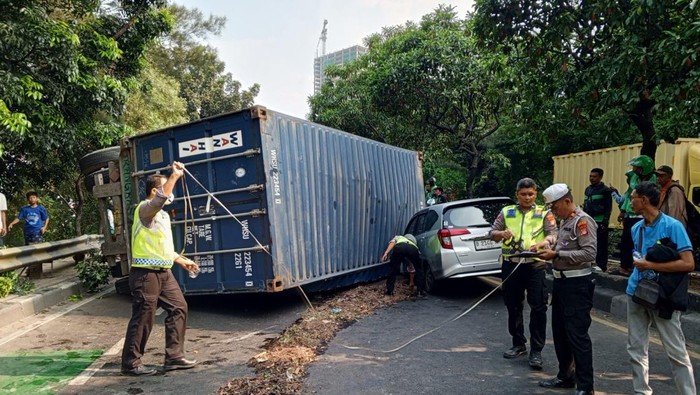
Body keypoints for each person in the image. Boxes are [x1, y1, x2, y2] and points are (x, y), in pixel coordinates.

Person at [121, 161, 200, 376]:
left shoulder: (164, 216)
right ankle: (131, 363)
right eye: (166, 187)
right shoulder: (144, 210)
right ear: (155, 190)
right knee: (144, 316)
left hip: (164, 273)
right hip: (145, 275)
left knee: (179, 307)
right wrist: (174, 177)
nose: (171, 192)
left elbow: (162, 246)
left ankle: (174, 357)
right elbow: (158, 201)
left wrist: (181, 260)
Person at [625, 181, 696, 395]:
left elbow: (688, 263)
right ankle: (641, 391)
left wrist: (651, 265)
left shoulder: (673, 226)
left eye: (634, 197)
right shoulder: (636, 228)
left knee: (676, 351)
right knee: (636, 348)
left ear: (644, 200)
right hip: (636, 292)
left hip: (663, 296)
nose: (631, 201)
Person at [534, 184, 597, 395]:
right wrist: (548, 245)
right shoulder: (565, 220)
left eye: (554, 206)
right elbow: (563, 244)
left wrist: (557, 256)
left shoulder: (583, 221)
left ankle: (586, 386)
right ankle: (565, 376)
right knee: (560, 333)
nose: (552, 211)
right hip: (561, 283)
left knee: (577, 335)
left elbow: (589, 253)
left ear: (567, 201)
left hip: (577, 284)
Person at [490, 178, 557, 370]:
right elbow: (492, 232)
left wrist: (545, 242)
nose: (527, 198)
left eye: (531, 194)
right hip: (512, 264)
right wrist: (500, 234)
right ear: (517, 194)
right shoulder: (506, 212)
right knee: (513, 305)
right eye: (523, 194)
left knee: (538, 306)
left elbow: (553, 234)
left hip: (535, 265)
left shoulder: (544, 212)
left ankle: (536, 350)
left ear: (536, 194)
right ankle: (518, 343)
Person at [610, 155, 656, 277]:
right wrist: (623, 211)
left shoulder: (653, 180)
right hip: (630, 216)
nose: (635, 170)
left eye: (637, 167)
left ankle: (641, 268)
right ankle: (624, 267)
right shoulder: (633, 178)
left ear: (645, 168)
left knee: (642, 243)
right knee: (626, 242)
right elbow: (628, 194)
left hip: (644, 216)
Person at [582, 168, 612, 272]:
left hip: (600, 221)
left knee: (601, 243)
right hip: (589, 220)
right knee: (589, 242)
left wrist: (605, 221)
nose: (592, 178)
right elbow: (585, 205)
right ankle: (590, 262)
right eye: (590, 176)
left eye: (594, 176)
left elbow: (608, 207)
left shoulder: (605, 190)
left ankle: (601, 265)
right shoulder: (588, 189)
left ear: (600, 177)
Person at [381, 233, 425, 298]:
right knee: (419, 270)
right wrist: (411, 281)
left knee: (393, 269)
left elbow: (392, 243)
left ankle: (390, 291)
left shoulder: (399, 237)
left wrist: (386, 253)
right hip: (412, 250)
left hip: (400, 247)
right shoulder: (414, 246)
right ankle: (420, 292)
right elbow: (412, 266)